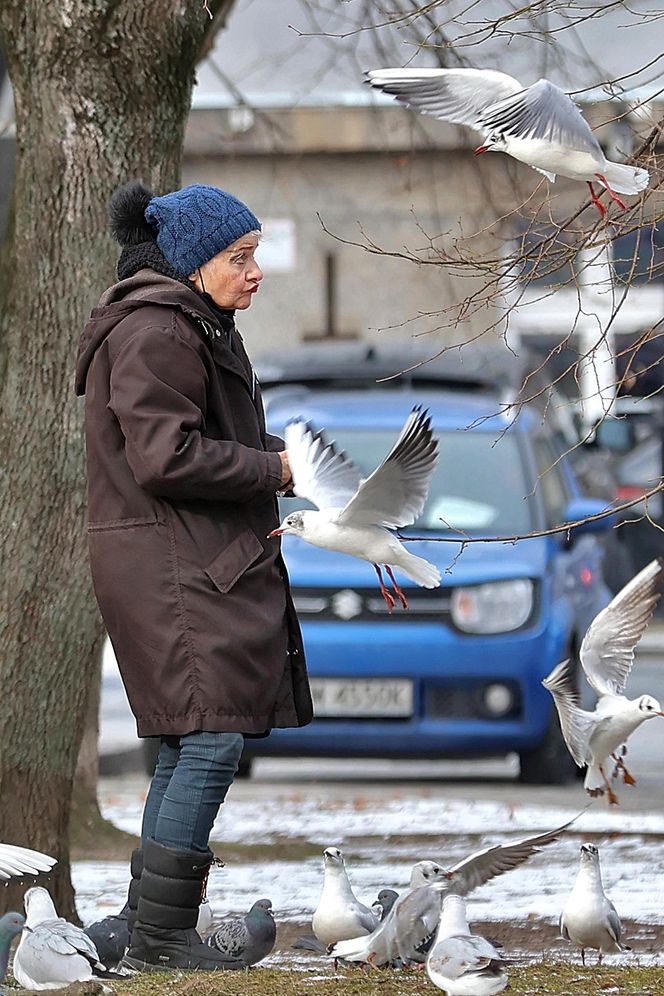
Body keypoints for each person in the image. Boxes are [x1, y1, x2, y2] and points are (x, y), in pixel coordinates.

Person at [75, 181, 313, 971]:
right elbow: (165, 454)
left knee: (189, 738)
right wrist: (272, 470)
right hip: (168, 565)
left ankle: (145, 925)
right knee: (208, 738)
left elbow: (201, 436)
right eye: (239, 258)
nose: (255, 272)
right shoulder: (158, 330)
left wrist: (290, 456)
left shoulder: (194, 323)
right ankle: (160, 938)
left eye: (253, 256)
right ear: (192, 262)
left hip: (173, 558)